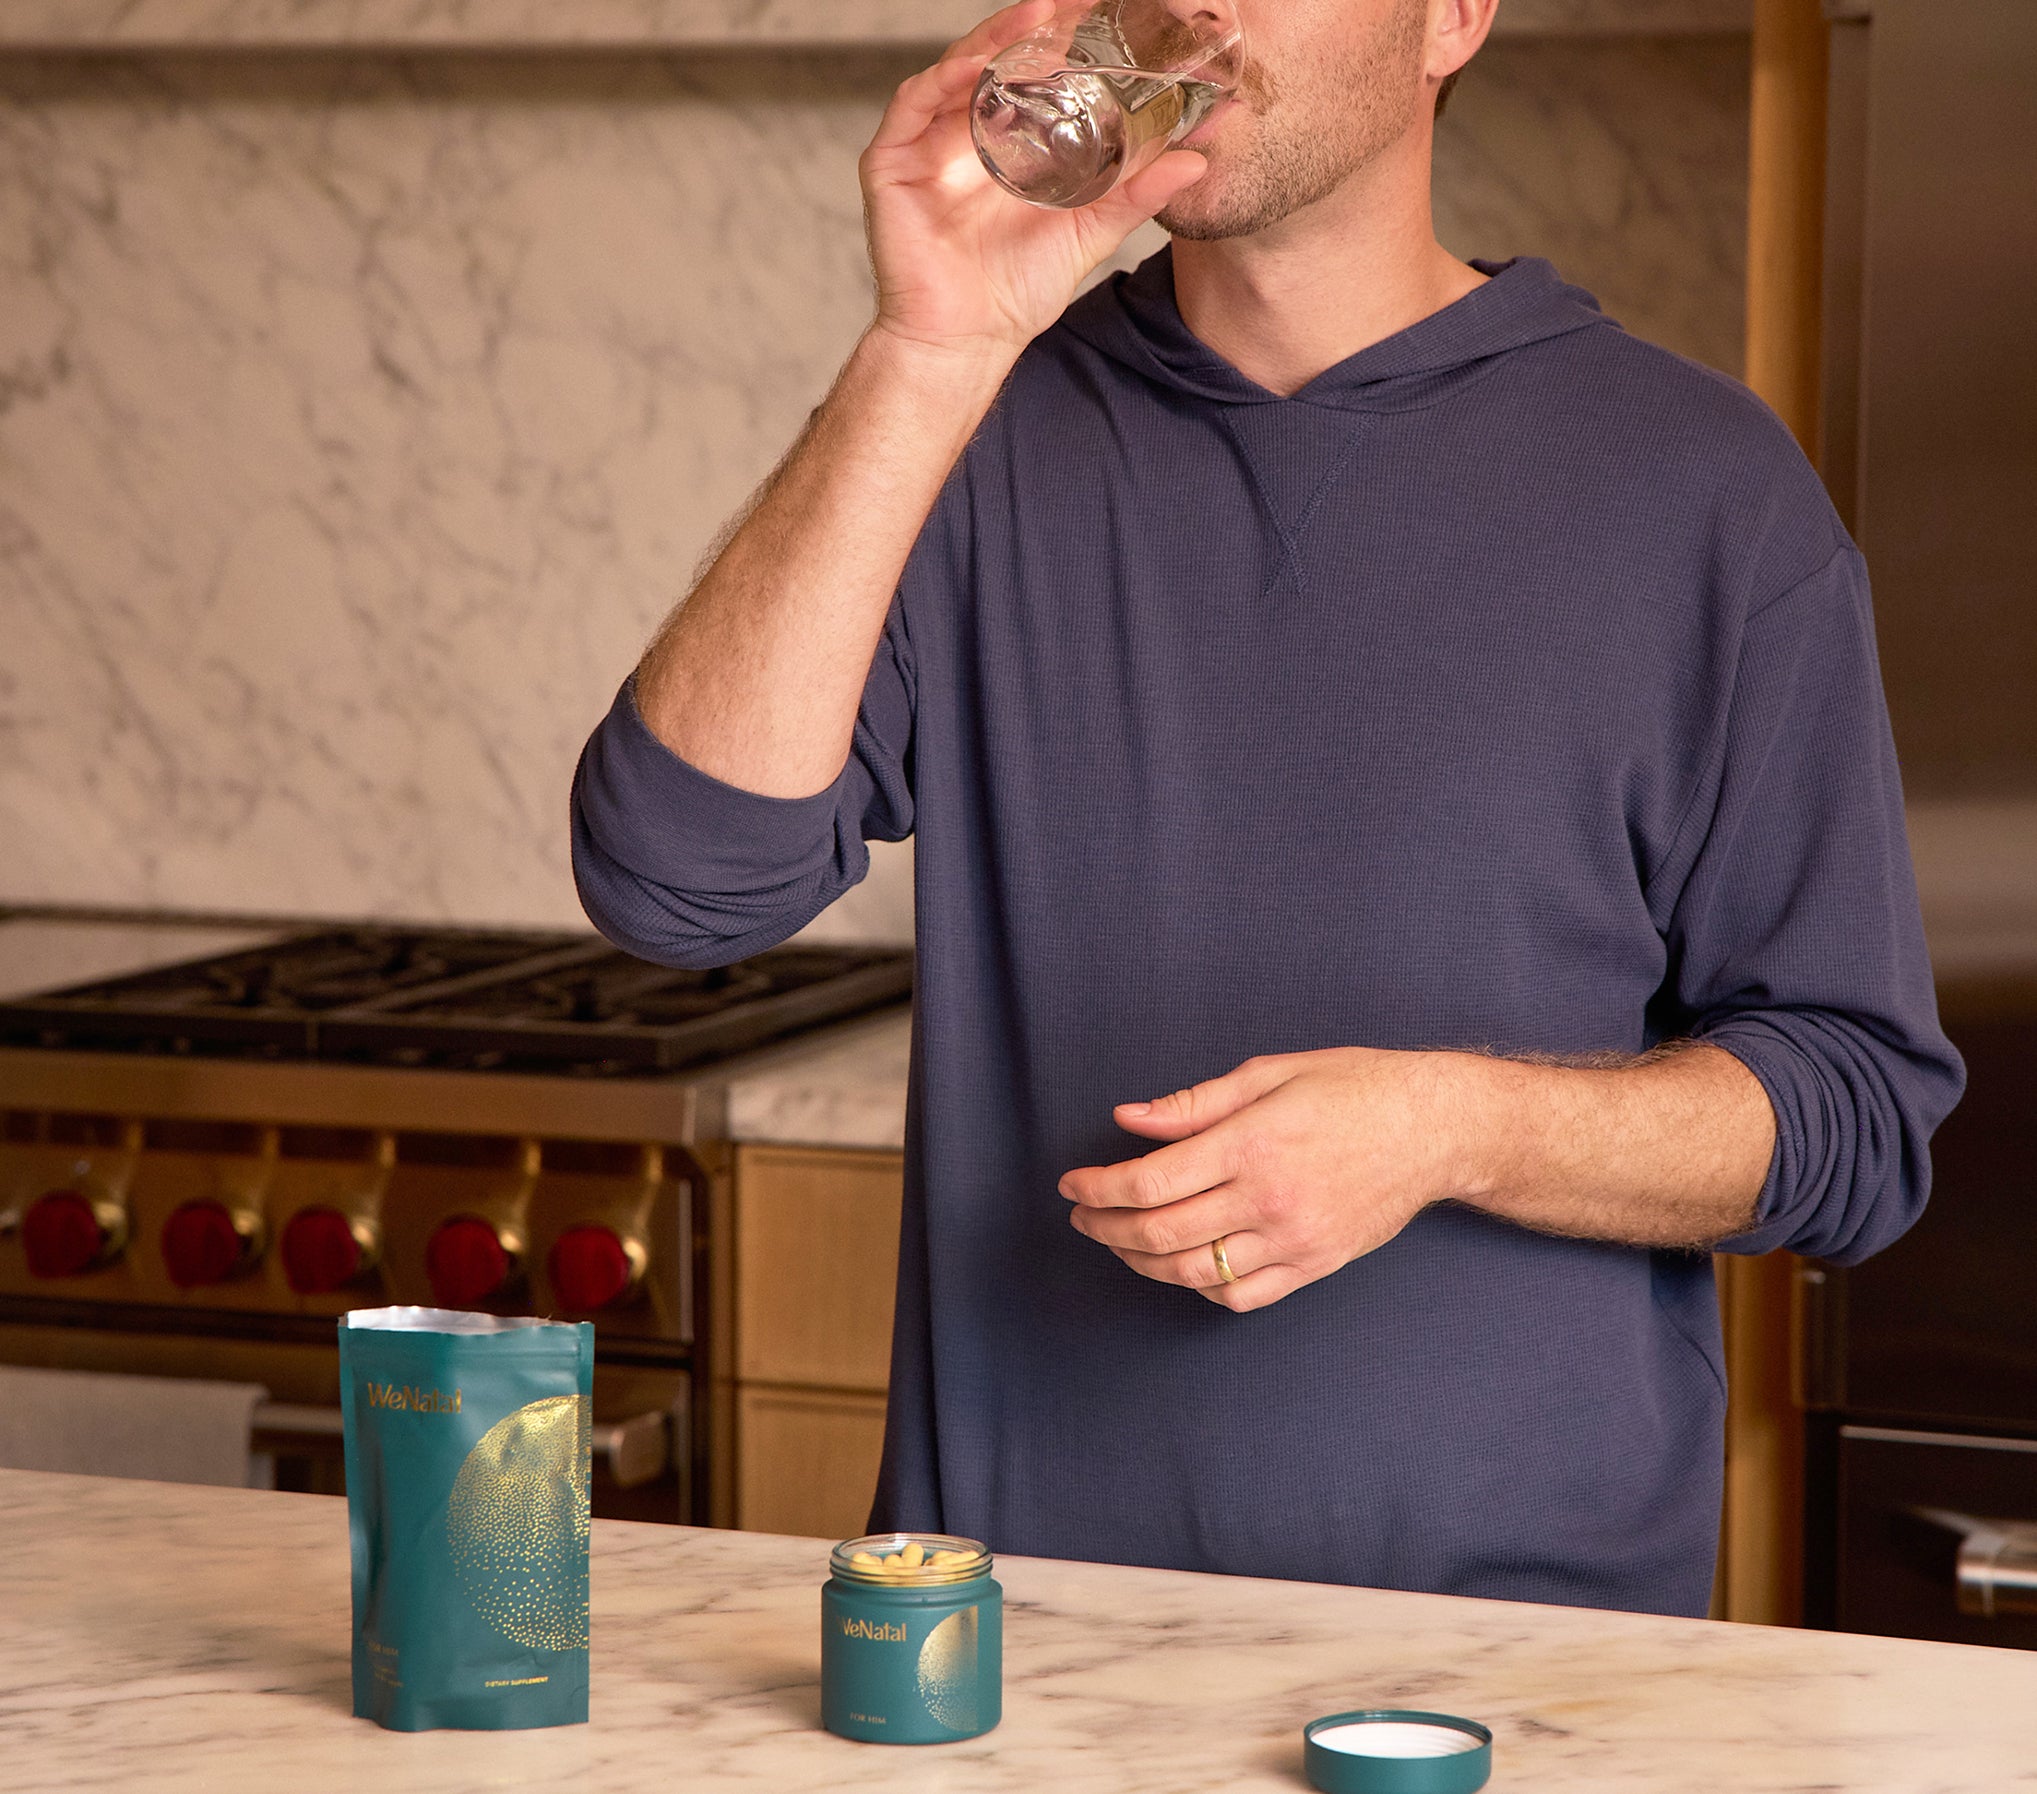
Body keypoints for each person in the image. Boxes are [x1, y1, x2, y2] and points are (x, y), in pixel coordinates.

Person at [571, 0, 1964, 1616]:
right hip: (1015, 1643)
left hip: (1515, 1666)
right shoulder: (968, 432)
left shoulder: (1702, 490)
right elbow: (676, 882)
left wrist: (1449, 1129)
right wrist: (921, 356)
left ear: (1452, 17)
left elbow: (1853, 1119)